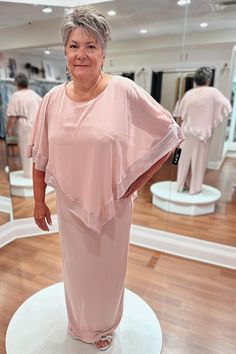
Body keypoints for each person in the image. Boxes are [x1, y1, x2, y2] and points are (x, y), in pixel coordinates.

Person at [27, 6, 184, 351]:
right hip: (69, 205)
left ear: (103, 53)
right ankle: (79, 324)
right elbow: (40, 156)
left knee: (107, 273)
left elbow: (170, 133)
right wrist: (39, 201)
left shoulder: (123, 91)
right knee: (77, 272)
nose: (81, 54)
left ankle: (104, 327)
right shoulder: (52, 100)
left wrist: (134, 182)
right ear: (64, 52)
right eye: (74, 45)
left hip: (113, 205)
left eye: (91, 46)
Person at [176, 66, 232, 195]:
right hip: (202, 134)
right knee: (198, 162)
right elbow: (227, 107)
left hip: (186, 132)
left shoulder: (188, 93)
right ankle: (194, 189)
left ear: (196, 81)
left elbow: (179, 114)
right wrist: (212, 122)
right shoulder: (213, 92)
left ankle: (179, 185)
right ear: (208, 80)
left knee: (181, 160)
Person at [6, 72, 42, 178]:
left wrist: (9, 129)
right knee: (36, 151)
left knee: (26, 150)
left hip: (24, 126)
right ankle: (36, 173)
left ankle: (29, 175)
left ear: (16, 84)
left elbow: (13, 115)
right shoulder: (34, 94)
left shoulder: (16, 96)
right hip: (36, 125)